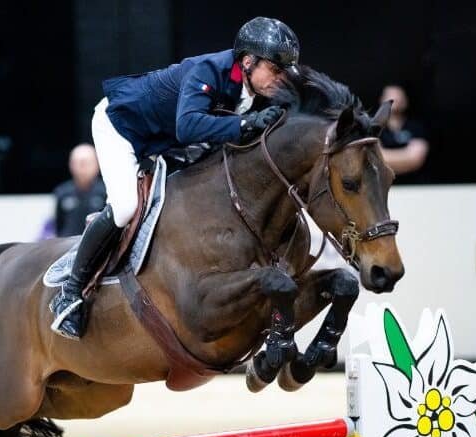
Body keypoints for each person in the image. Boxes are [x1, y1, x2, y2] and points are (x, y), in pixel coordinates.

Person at [49, 16, 300, 339]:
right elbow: (189, 126)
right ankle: (71, 292)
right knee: (125, 206)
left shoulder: (255, 87)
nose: (279, 80)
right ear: (248, 61)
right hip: (121, 127)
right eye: (276, 70)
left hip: (163, 141)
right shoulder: (208, 70)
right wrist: (244, 125)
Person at [53, 144, 107, 237]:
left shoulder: (106, 192)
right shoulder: (62, 192)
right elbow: (59, 225)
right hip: (68, 245)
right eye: (77, 163)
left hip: (97, 245)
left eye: (86, 163)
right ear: (70, 165)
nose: (82, 167)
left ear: (97, 164)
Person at [377, 85, 429, 176]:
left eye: (398, 95)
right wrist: (405, 157)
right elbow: (374, 159)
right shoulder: (373, 128)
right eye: (390, 95)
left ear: (405, 101)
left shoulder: (415, 127)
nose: (395, 99)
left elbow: (416, 158)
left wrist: (385, 157)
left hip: (415, 185)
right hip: (382, 185)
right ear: (381, 100)